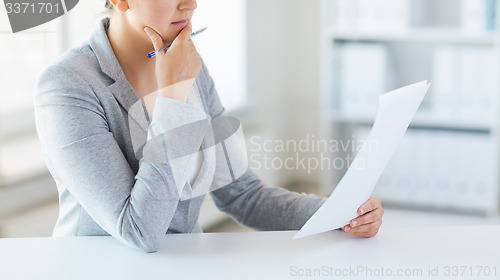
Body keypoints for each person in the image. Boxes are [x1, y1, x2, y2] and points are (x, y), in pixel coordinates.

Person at [34, 0, 384, 253]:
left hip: (184, 267)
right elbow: (139, 231)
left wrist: (337, 212)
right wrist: (172, 98)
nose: (190, 5)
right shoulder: (68, 85)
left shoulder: (190, 67)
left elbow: (243, 195)